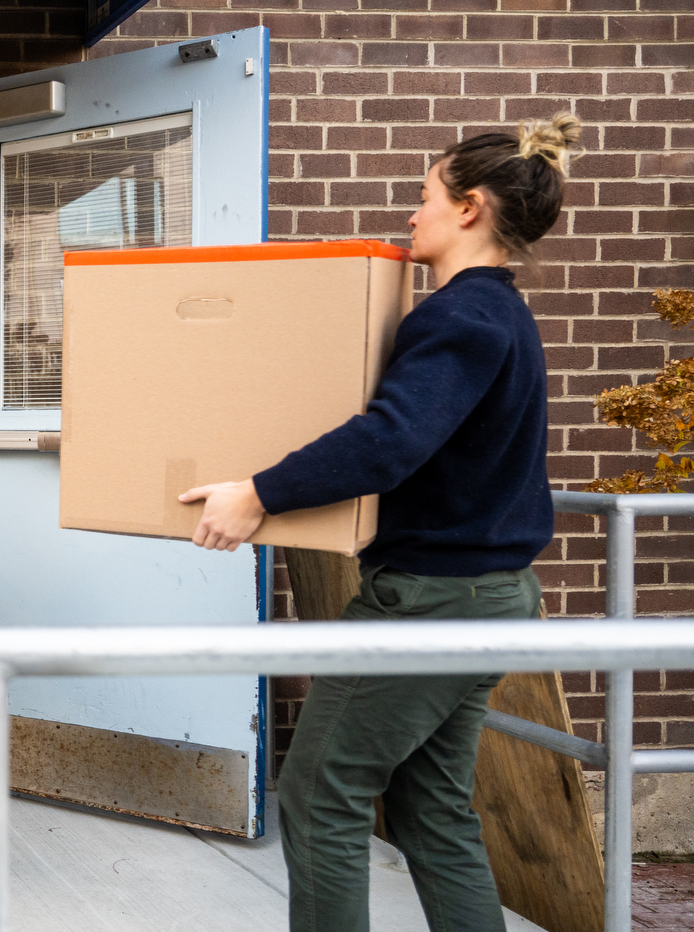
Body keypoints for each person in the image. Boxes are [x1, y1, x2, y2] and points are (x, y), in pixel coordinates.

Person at [178, 114, 581, 932]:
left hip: (434, 604)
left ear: (468, 207)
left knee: (319, 792)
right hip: (488, 599)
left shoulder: (459, 318)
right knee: (433, 806)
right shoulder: (502, 315)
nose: (411, 213)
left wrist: (258, 493)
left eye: (424, 194)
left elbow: (390, 439)